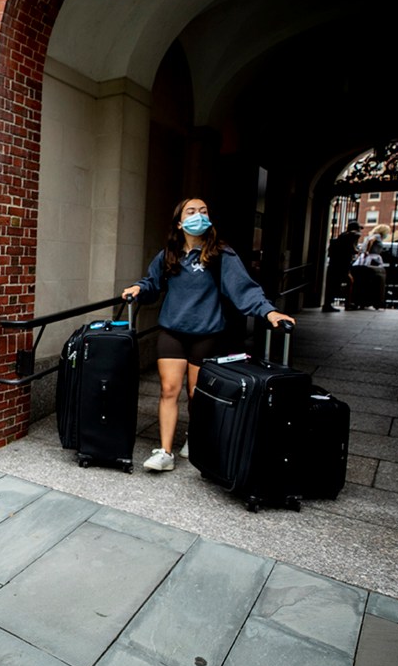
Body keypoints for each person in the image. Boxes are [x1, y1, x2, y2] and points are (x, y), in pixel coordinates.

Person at [121, 198, 296, 472]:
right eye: (191, 212)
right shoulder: (169, 254)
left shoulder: (221, 254)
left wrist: (269, 312)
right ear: (180, 222)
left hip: (206, 334)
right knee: (168, 389)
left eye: (203, 211)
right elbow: (152, 283)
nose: (198, 216)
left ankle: (195, 437)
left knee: (196, 394)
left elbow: (244, 289)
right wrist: (138, 288)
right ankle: (165, 452)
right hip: (172, 331)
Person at [322, 220, 363, 312]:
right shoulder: (349, 236)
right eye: (358, 229)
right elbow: (353, 246)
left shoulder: (343, 236)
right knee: (336, 284)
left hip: (337, 264)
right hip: (340, 265)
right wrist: (357, 250)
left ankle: (338, 304)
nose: (359, 232)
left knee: (336, 284)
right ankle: (344, 304)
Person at [351, 223, 390, 309]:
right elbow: (371, 241)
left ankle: (363, 301)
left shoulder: (371, 236)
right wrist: (368, 251)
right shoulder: (377, 236)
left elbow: (365, 245)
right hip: (372, 258)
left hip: (367, 258)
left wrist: (362, 253)